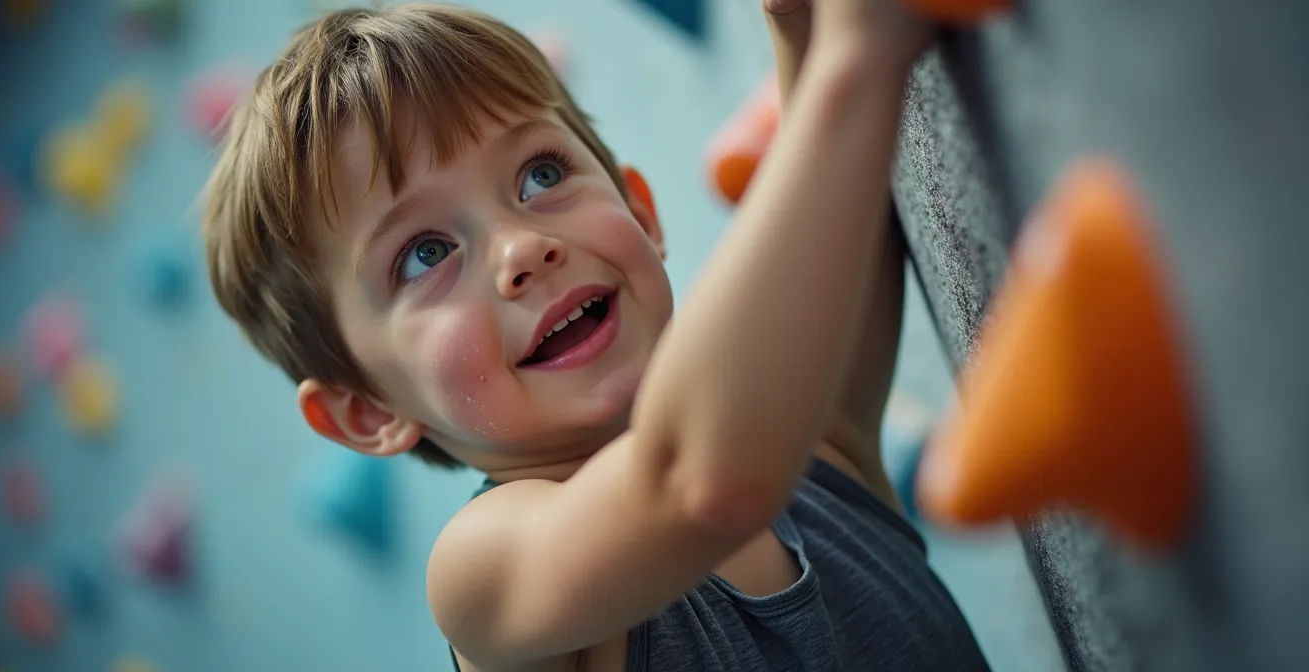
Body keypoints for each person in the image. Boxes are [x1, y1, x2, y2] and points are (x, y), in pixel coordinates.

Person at [201, 0, 992, 669]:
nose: (523, 249)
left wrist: (801, 29)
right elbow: (698, 486)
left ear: (641, 214)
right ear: (368, 412)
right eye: (425, 254)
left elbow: (833, 246)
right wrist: (858, 58)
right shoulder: (484, 574)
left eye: (541, 175)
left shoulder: (818, 453)